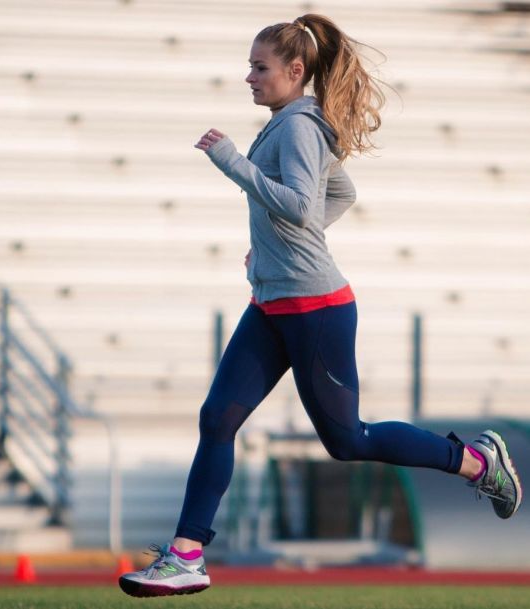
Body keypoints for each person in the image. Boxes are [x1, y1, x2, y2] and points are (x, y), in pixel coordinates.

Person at [119, 13, 523, 598]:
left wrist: (234, 164)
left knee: (348, 441)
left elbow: (304, 207)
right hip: (274, 302)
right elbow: (340, 193)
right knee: (217, 419)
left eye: (260, 68)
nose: (250, 78)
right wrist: (274, 253)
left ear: (295, 71)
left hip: (315, 308)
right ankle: (186, 555)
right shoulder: (289, 121)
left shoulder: (300, 127)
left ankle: (477, 463)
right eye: (250, 67)